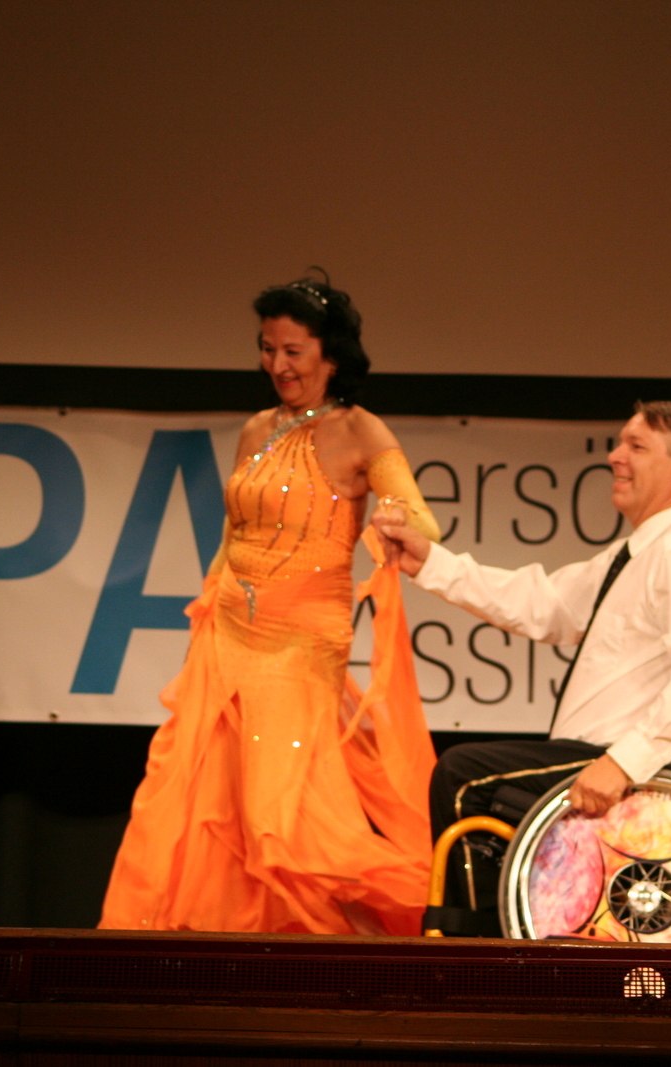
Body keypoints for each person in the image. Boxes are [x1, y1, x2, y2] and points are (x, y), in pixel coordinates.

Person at [100, 274, 443, 935]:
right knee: (205, 799)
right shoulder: (258, 427)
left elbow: (423, 521)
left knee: (279, 818)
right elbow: (233, 535)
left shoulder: (361, 430)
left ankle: (334, 959)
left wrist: (396, 515)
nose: (277, 365)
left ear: (330, 355)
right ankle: (223, 947)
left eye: (292, 351)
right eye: (267, 349)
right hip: (227, 635)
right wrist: (206, 615)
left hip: (301, 645)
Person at [371, 401, 671, 934]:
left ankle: (474, 947)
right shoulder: (641, 551)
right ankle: (492, 943)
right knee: (471, 775)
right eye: (620, 443)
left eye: (636, 446)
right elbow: (543, 604)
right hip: (595, 755)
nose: (615, 456)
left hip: (631, 766)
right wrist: (430, 563)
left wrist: (623, 763)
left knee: (464, 776)